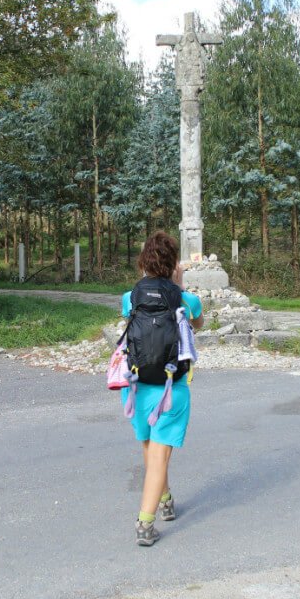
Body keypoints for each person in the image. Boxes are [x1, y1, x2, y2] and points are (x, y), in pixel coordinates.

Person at [120, 231, 203, 546]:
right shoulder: (187, 300)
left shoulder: (130, 297)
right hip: (172, 389)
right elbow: (198, 324)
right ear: (174, 264)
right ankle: (145, 523)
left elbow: (132, 319)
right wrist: (178, 288)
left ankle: (165, 499)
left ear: (143, 263)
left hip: (138, 386)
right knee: (159, 454)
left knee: (150, 449)